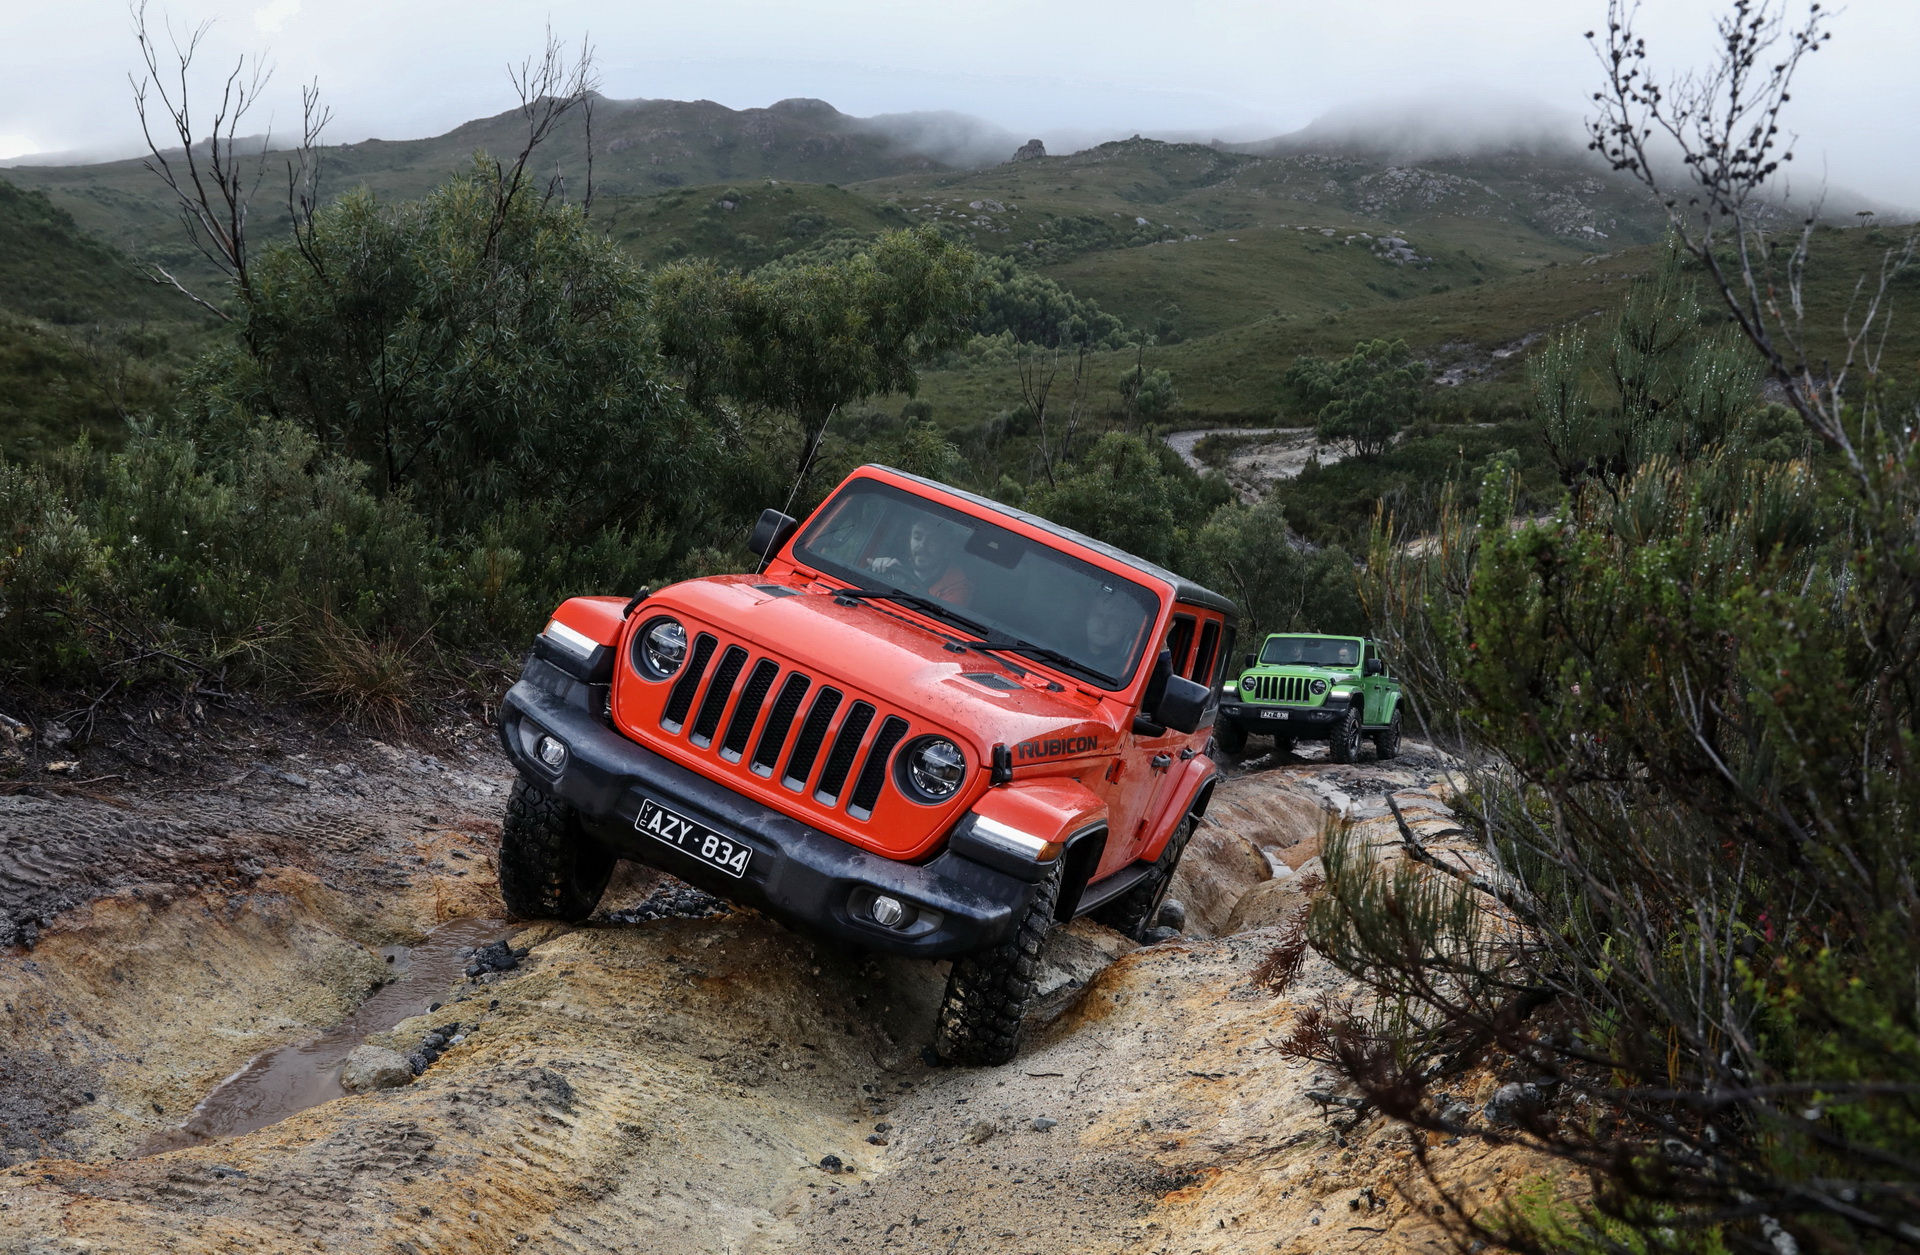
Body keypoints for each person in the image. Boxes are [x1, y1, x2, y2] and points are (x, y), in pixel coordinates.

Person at [867, 517, 972, 605]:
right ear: (909, 539)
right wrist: (880, 569)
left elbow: (934, 619)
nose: (922, 546)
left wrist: (902, 584)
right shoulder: (895, 566)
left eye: (933, 540)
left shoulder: (958, 585)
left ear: (945, 547)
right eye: (917, 537)